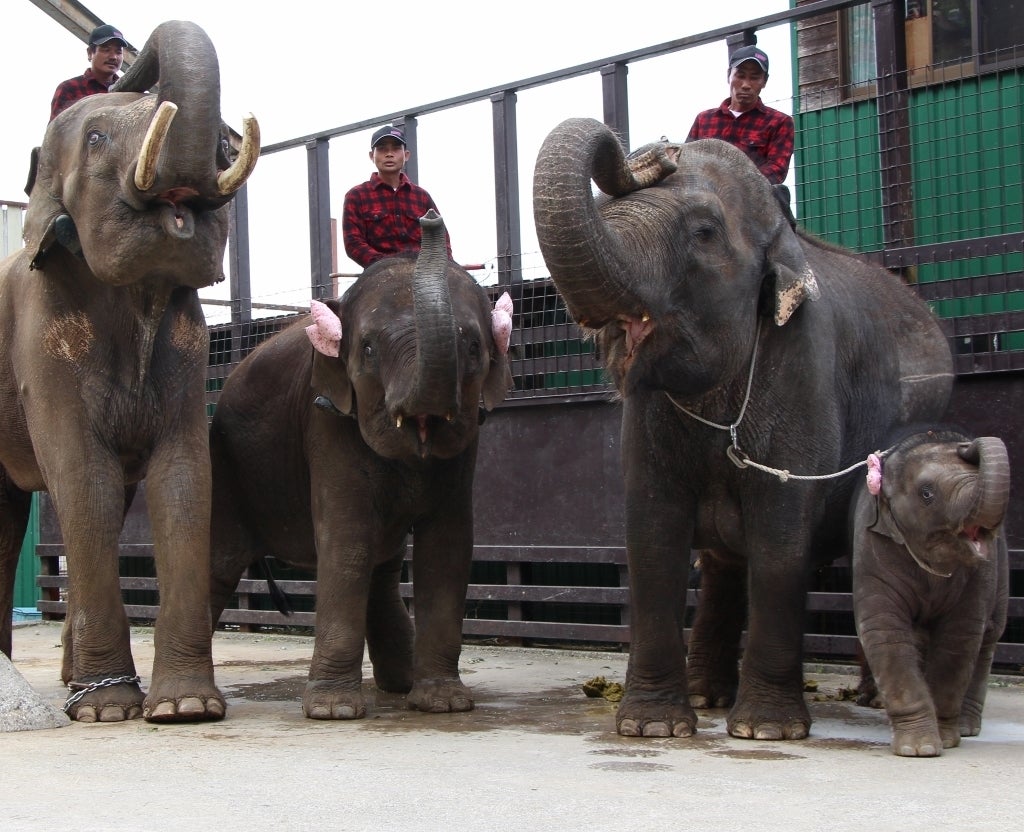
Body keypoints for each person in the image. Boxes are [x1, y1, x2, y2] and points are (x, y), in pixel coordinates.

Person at [342, 125, 453, 269]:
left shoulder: (422, 196)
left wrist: (444, 268)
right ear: (371, 156)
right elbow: (353, 243)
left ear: (406, 155)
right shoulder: (356, 196)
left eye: (395, 148)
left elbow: (441, 239)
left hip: (423, 272)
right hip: (380, 274)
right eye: (382, 149)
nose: (389, 154)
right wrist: (385, 266)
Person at [685, 45, 795, 186]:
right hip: (704, 195)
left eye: (754, 78)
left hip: (751, 197)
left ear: (764, 81)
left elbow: (776, 170)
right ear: (729, 75)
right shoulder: (704, 119)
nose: (746, 85)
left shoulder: (780, 122)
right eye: (740, 76)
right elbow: (686, 161)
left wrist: (733, 185)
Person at [49, 24, 128, 122]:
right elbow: (57, 129)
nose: (113, 57)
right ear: (90, 53)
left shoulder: (127, 91)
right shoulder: (70, 88)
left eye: (118, 52)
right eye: (106, 50)